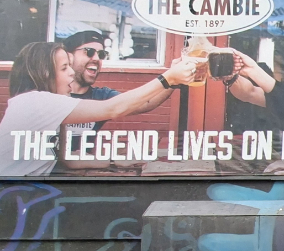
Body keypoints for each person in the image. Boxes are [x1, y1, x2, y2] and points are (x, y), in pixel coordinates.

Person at [0, 42, 195, 176]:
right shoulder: (37, 102)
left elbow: (68, 160)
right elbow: (113, 109)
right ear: (45, 73)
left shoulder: (47, 105)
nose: (71, 73)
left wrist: (114, 161)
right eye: (64, 68)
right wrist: (168, 77)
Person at [59, 30, 177, 169]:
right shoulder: (49, 95)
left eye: (101, 54)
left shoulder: (102, 96)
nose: (96, 58)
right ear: (69, 57)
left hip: (78, 170)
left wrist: (173, 80)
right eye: (89, 52)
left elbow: (145, 103)